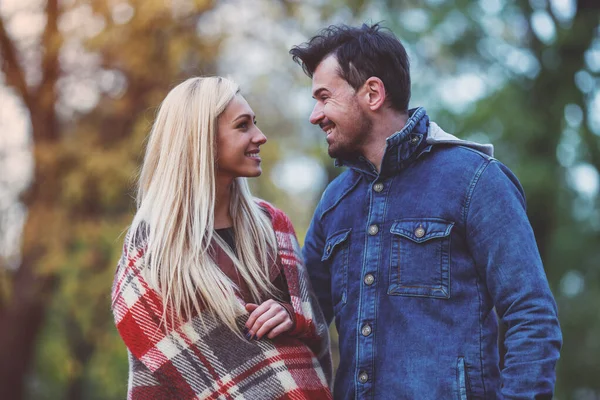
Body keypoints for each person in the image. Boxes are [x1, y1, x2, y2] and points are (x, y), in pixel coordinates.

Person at [290, 24, 562, 399]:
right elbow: (305, 323)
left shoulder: (475, 180)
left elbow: (532, 316)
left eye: (324, 97)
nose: (314, 115)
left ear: (372, 93)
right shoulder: (334, 202)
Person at [111, 76, 332, 399]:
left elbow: (316, 326)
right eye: (243, 126)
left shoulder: (273, 226)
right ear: (201, 139)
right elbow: (179, 360)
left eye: (254, 124)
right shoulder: (153, 246)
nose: (261, 136)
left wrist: (290, 314)